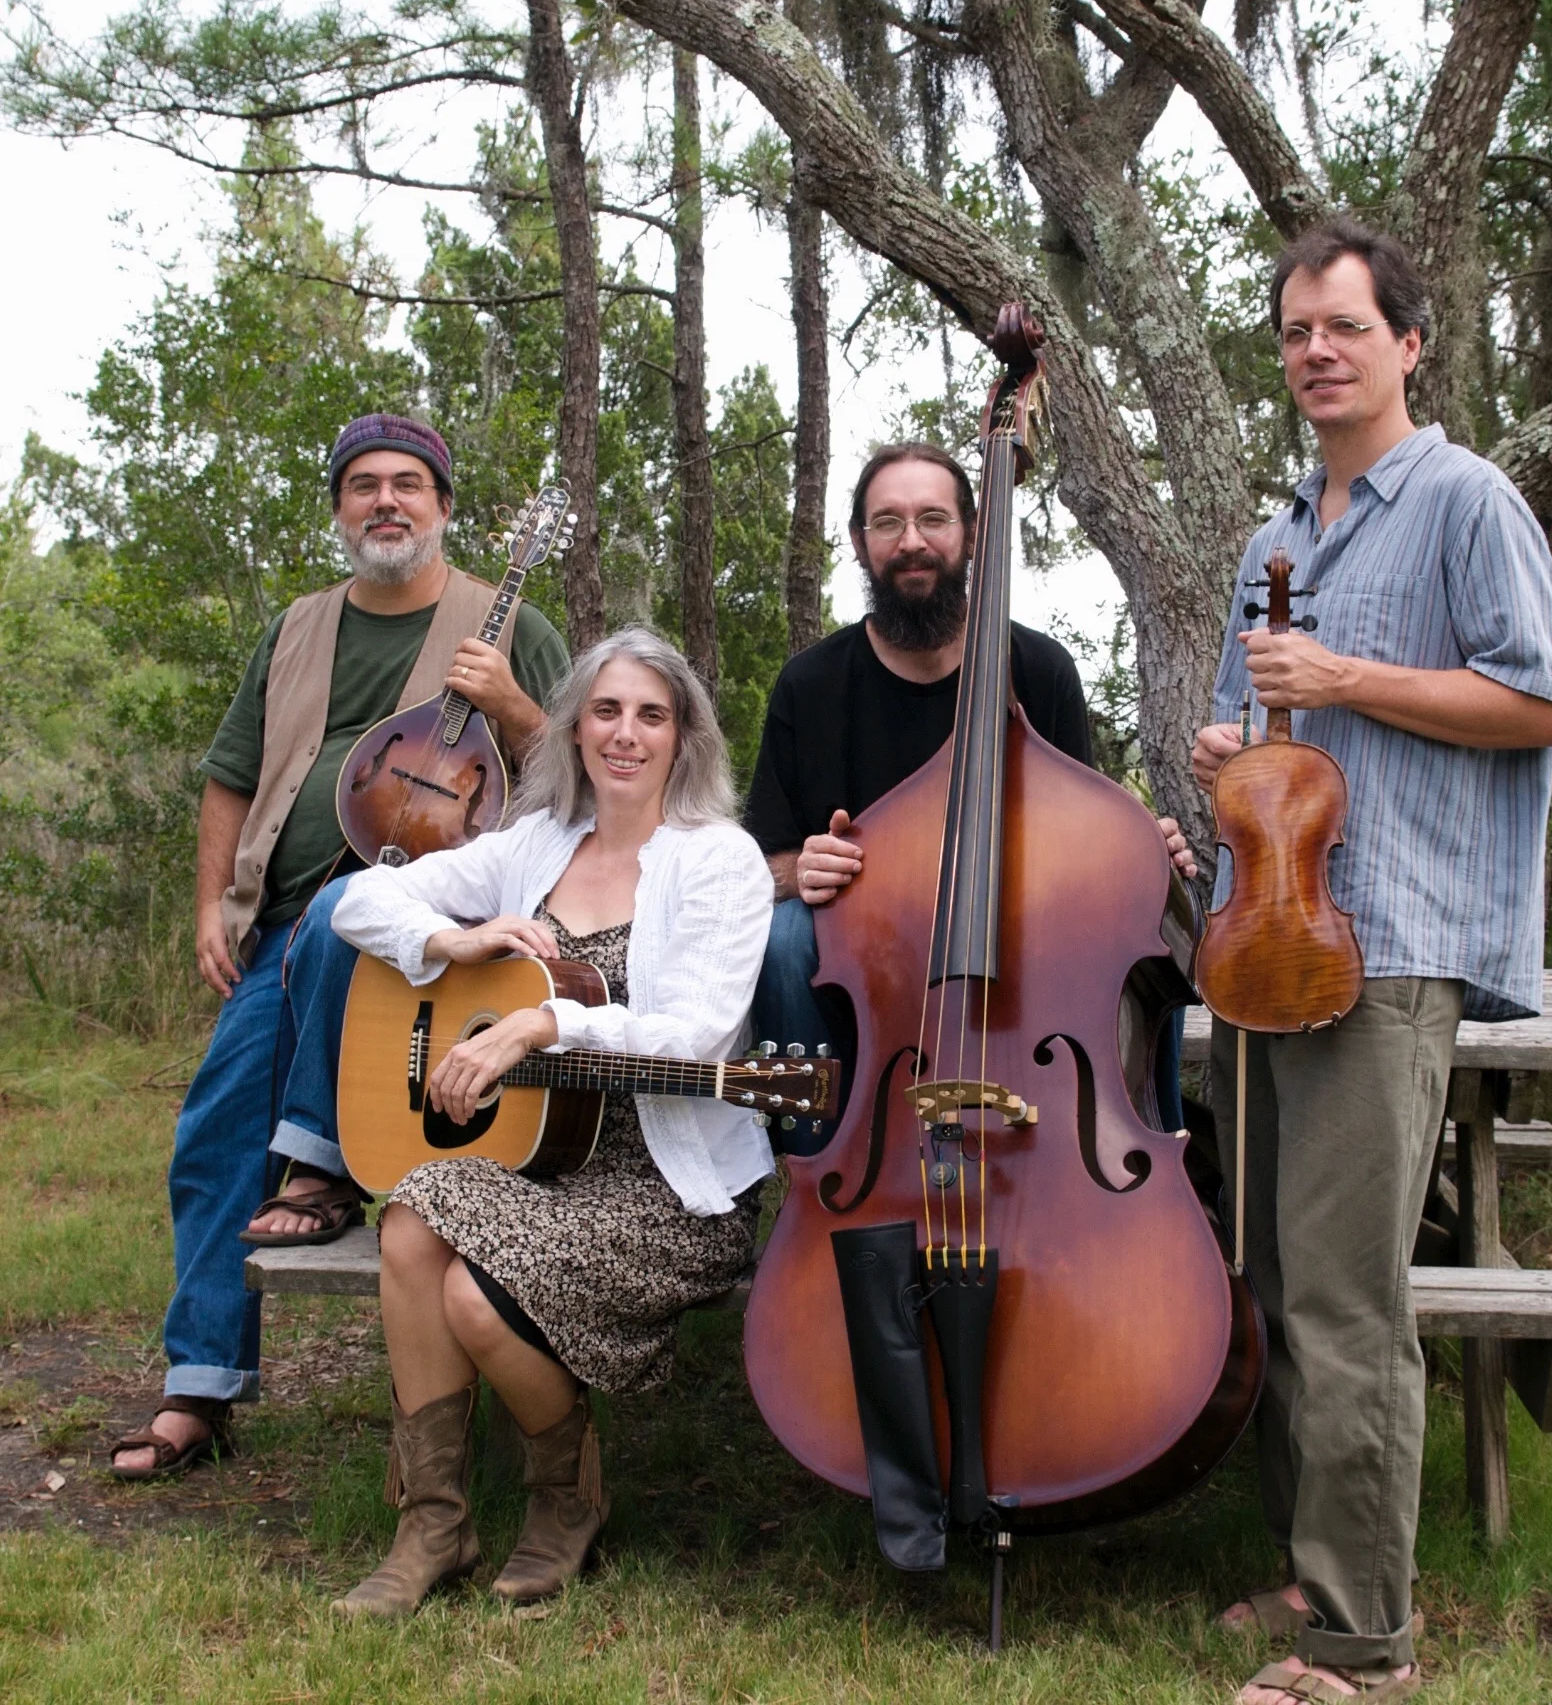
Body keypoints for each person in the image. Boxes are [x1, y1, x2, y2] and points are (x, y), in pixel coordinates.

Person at [1191, 220, 1552, 1704]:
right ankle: (1310, 1572)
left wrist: (1344, 678)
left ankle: (1363, 1643)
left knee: (1349, 1296)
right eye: (1296, 330)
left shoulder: (1467, 502)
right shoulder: (1273, 540)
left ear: (1408, 344)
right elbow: (1256, 738)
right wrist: (1226, 750)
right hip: (1263, 942)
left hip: (1392, 945)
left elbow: (1547, 704)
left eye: (1345, 326)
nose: (1317, 351)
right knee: (1274, 1277)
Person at [110, 414, 569, 1481]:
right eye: (364, 485)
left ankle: (319, 1173)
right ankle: (198, 1388)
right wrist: (211, 904)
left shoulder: (511, 625)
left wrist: (513, 706)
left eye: (408, 483)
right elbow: (231, 775)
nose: (386, 502)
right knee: (215, 1129)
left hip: (439, 943)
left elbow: (585, 774)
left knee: (348, 912)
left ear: (443, 506)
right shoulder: (298, 628)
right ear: (339, 509)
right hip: (283, 924)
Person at [327, 628, 774, 1614]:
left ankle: (564, 1496)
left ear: (683, 736)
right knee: (409, 1221)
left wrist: (543, 1021)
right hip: (534, 1162)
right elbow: (357, 901)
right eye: (605, 711)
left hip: (667, 1186)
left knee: (473, 1297)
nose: (625, 734)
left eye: (651, 715)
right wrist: (448, 939)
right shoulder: (535, 845)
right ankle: (432, 1526)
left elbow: (699, 1032)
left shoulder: (719, 861)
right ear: (573, 730)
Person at [744, 440, 1198, 1139]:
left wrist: (1137, 854)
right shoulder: (810, 685)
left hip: (1018, 942)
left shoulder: (1039, 669)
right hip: (869, 962)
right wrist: (798, 869)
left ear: (973, 532)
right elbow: (758, 867)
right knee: (784, 938)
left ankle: (1148, 1159)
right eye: (888, 522)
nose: (912, 541)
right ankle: (819, 1165)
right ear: (859, 542)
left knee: (1146, 931)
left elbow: (1079, 837)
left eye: (933, 518)